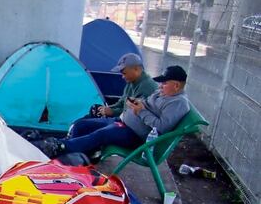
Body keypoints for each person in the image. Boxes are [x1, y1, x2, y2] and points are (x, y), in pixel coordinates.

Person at [38, 65, 192, 159]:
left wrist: (140, 111)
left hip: (134, 134)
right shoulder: (163, 93)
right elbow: (146, 105)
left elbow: (162, 127)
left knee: (100, 135)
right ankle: (74, 157)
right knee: (82, 126)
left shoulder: (178, 103)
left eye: (164, 83)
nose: (160, 86)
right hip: (122, 121)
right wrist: (137, 103)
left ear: (177, 86)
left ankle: (61, 148)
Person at [86, 53, 158, 120]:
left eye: (124, 73)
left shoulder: (146, 86)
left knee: (83, 126)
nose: (122, 77)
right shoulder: (131, 82)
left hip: (132, 124)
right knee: (92, 112)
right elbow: (121, 103)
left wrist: (112, 112)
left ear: (136, 69)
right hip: (124, 119)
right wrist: (105, 109)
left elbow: (133, 112)